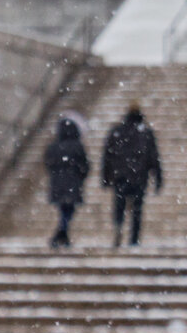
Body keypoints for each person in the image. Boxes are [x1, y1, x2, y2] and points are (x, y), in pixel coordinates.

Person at [100, 105, 164, 248]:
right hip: (139, 177)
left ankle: (119, 225)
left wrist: (105, 177)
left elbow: (107, 156)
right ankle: (134, 239)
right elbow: (154, 157)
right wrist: (158, 178)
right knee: (137, 210)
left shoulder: (117, 131)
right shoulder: (146, 133)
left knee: (119, 205)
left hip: (120, 176)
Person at [43, 117, 89, 249]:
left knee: (64, 209)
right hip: (73, 183)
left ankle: (62, 233)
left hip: (57, 183)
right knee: (68, 210)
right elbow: (84, 165)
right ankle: (62, 232)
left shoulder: (54, 145)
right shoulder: (77, 146)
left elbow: (48, 162)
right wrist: (80, 175)